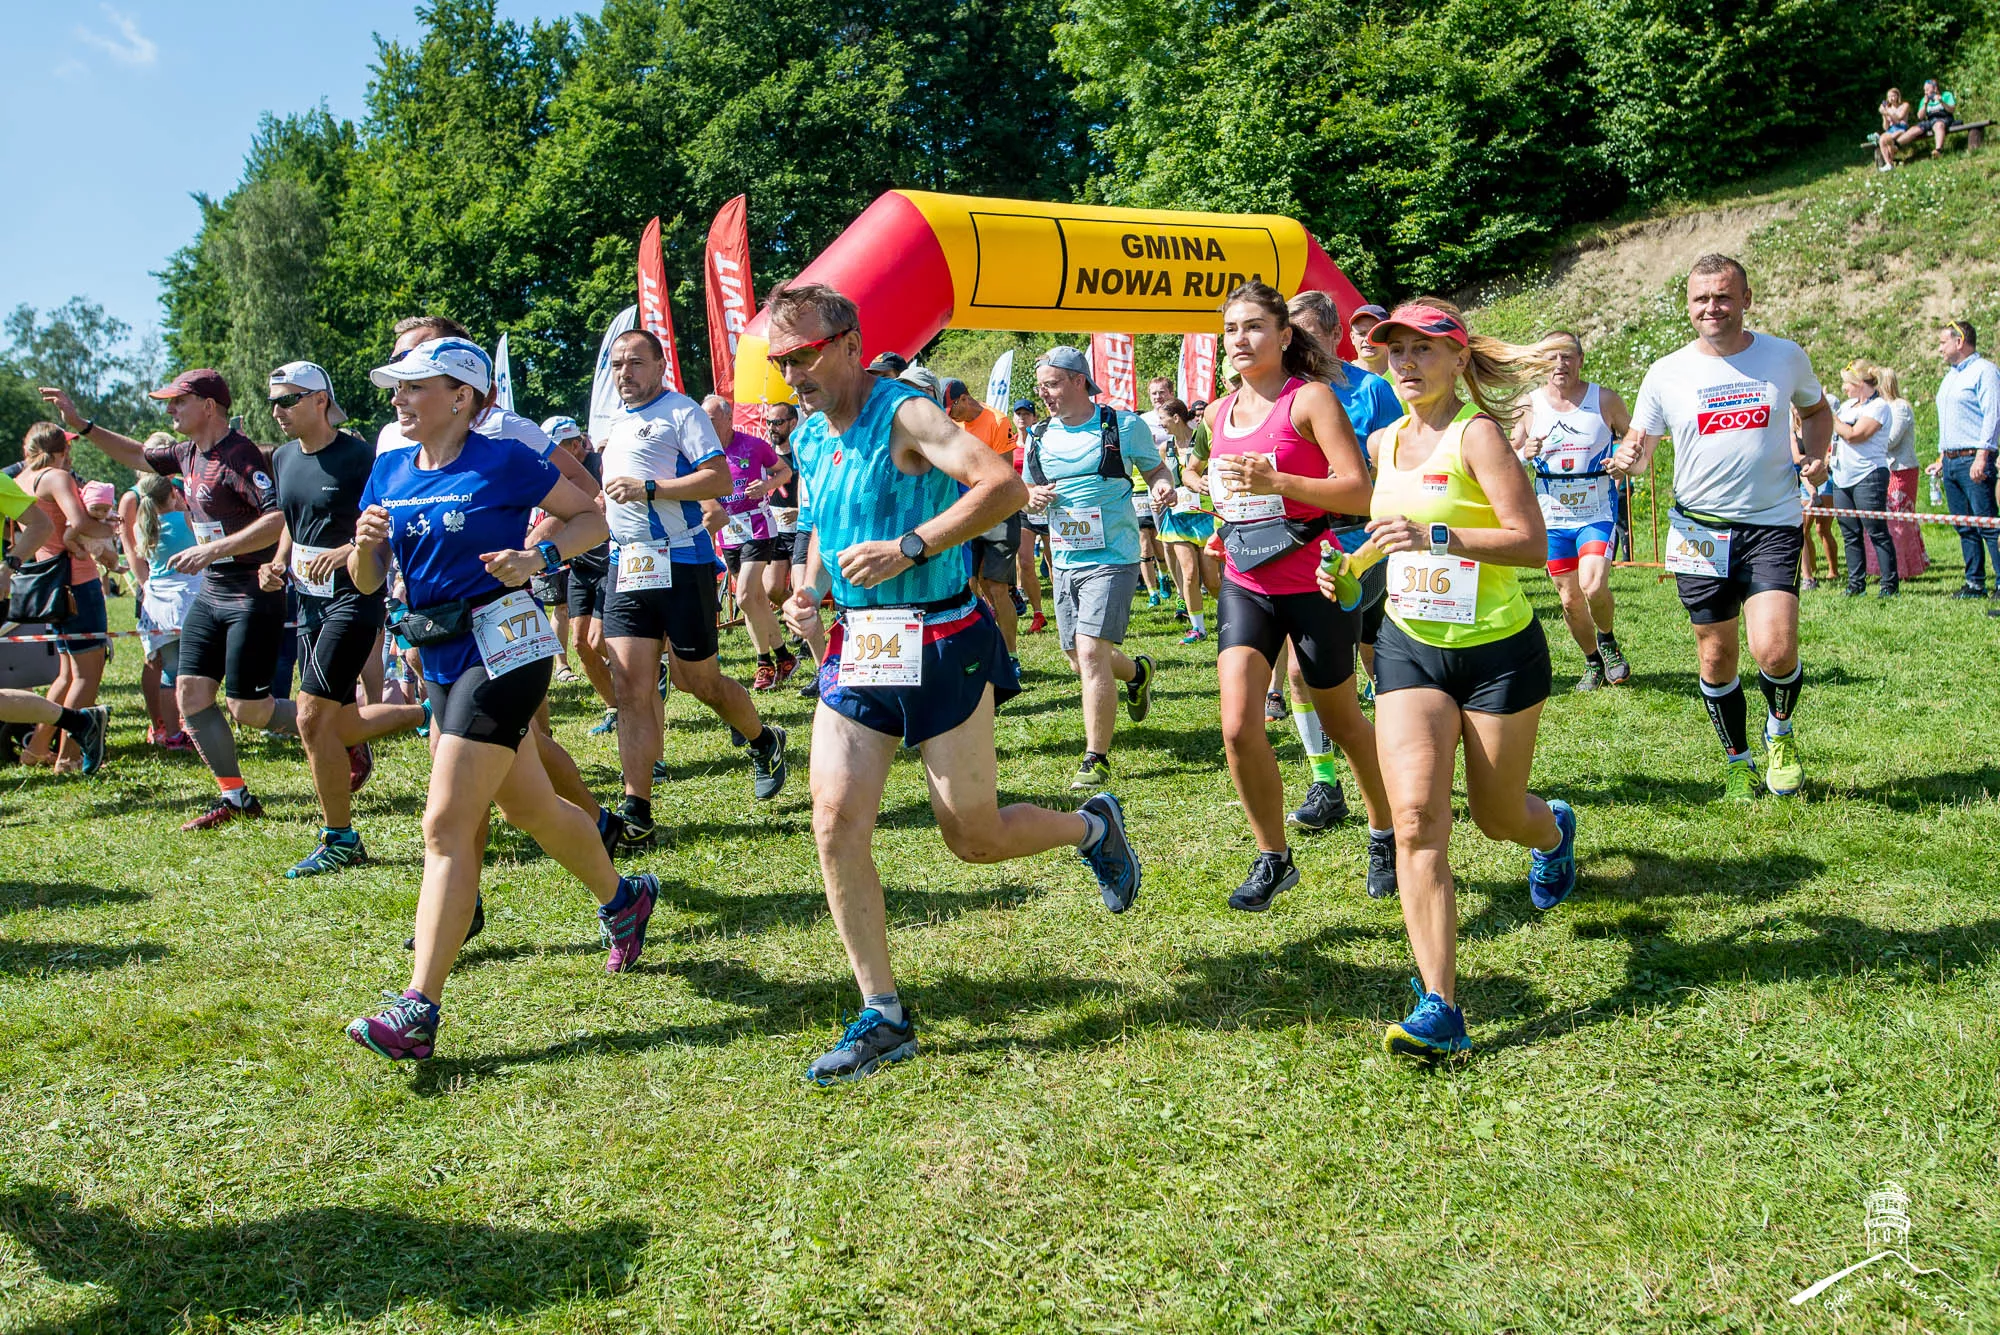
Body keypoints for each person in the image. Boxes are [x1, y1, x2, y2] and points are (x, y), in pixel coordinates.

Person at [769, 281, 1140, 1084]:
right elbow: (822, 528)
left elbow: (1002, 484)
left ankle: (1091, 828)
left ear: (848, 343)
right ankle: (883, 1013)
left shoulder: (904, 413)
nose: (790, 374)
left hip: (941, 638)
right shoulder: (809, 437)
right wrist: (809, 589)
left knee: (973, 837)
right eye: (779, 362)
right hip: (860, 647)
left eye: (801, 356)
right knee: (833, 822)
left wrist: (911, 544)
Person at [342, 336, 657, 1062]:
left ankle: (418, 1008)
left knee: (446, 822)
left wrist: (536, 556)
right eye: (398, 388)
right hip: (441, 652)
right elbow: (366, 580)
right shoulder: (388, 469)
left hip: (507, 648)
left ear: (462, 397)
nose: (399, 399)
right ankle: (625, 898)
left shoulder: (506, 458)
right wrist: (363, 547)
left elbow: (595, 517)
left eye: (415, 386)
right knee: (531, 809)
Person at [1336, 299, 1575, 1060]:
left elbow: (1531, 542)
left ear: (1458, 358)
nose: (1406, 363)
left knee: (1499, 817)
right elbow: (1386, 540)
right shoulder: (1383, 441)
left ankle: (1553, 830)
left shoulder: (1478, 436)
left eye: (1423, 350)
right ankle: (1440, 1005)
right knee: (1415, 819)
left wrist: (1437, 535)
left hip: (1498, 651)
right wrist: (1348, 570)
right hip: (1409, 646)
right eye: (1395, 351)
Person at [1202, 281, 1394, 909]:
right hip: (1247, 582)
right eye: (1231, 329)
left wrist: (1279, 481)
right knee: (1238, 727)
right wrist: (1223, 524)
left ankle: (1385, 831)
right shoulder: (1216, 413)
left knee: (1342, 721)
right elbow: (1234, 492)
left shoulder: (1310, 399)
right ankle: (1274, 856)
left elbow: (1359, 491)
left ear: (1285, 336)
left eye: (1254, 326)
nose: (1241, 339)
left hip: (1315, 579)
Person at [1616, 254, 1831, 800]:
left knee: (1775, 650)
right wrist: (1628, 459)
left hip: (1770, 524)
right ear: (1688, 305)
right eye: (1701, 298)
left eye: (1723, 296)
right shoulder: (1665, 372)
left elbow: (1816, 410)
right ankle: (1738, 760)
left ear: (1746, 299)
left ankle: (1779, 732)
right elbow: (1640, 450)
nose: (1712, 307)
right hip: (1698, 531)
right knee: (1715, 656)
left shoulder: (1784, 356)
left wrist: (1818, 456)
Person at [43, 371, 297, 826]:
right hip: (212, 592)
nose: (169, 410)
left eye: (179, 401)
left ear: (209, 406)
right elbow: (136, 454)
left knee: (249, 710)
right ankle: (236, 798)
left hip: (250, 592)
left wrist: (213, 549)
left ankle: (341, 731)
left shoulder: (240, 455)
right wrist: (82, 425)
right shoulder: (186, 453)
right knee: (190, 694)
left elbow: (277, 518)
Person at [599, 329, 788, 850]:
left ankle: (764, 740)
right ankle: (637, 809)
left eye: (636, 362)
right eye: (617, 364)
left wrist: (649, 489)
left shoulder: (682, 413)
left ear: (661, 365)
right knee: (630, 687)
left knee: (697, 682)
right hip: (626, 565)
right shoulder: (615, 421)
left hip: (682, 561)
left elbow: (719, 480)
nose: (625, 373)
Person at [261, 361, 430, 876]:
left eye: (288, 400)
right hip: (307, 601)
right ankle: (427, 712)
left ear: (320, 400)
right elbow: (292, 522)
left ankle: (339, 837)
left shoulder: (360, 457)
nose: (277, 410)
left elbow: (387, 520)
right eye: (273, 401)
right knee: (329, 723)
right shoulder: (282, 458)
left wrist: (348, 551)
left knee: (311, 717)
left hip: (355, 597)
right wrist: (277, 561)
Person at [1022, 345, 1174, 790]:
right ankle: (1138, 673)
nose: (1044, 394)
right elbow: (1026, 490)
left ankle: (1096, 758)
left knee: (1091, 654)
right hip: (1064, 559)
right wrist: (1030, 497)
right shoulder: (1038, 436)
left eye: (1051, 384)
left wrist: (1163, 486)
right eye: (1041, 386)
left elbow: (1158, 470)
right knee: (1079, 659)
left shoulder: (1122, 425)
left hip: (1115, 556)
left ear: (1078, 381)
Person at [1513, 331, 1636, 690]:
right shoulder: (1529, 405)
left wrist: (1622, 460)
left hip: (1596, 511)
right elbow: (1507, 457)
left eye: (1567, 356)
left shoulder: (1605, 399)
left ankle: (1607, 640)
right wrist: (1525, 453)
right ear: (1542, 362)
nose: (1560, 364)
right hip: (1552, 516)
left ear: (1580, 360)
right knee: (1569, 599)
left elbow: (1633, 439)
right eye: (1552, 356)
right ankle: (1593, 661)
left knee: (1593, 585)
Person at [12, 424, 113, 770]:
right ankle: (68, 757)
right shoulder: (56, 477)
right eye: (68, 448)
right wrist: (109, 527)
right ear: (60, 451)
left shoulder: (21, 480)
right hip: (78, 584)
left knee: (66, 675)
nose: (70, 455)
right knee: (87, 675)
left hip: (51, 587)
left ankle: (36, 750)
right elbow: (79, 521)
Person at [705, 394, 798, 690]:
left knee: (744, 596)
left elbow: (785, 471)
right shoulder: (703, 451)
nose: (705, 424)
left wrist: (767, 485)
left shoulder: (753, 445)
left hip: (758, 528)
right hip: (728, 532)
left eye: (711, 419)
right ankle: (784, 657)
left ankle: (763, 664)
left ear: (727, 418)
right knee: (754, 600)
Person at [542, 416, 619, 715]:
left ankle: (648, 673)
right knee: (580, 644)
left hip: (608, 563)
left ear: (576, 445)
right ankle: (615, 708)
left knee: (598, 640)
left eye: (557, 448)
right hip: (580, 566)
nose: (551, 456)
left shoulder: (602, 465)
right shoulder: (555, 474)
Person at [945, 378, 1025, 658]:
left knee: (997, 587)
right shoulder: (954, 425)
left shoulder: (997, 421)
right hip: (968, 513)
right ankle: (986, 651)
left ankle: (1011, 656)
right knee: (972, 584)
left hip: (998, 512)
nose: (951, 416)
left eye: (952, 409)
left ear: (964, 399)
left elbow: (1004, 474)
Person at [1930, 320, 2000, 598]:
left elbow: (1992, 415)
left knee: (1988, 524)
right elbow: (1951, 421)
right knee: (1964, 525)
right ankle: (1975, 583)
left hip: (1974, 459)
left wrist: (1983, 455)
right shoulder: (1950, 377)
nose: (1939, 349)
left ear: (1959, 342)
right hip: (1951, 461)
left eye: (1942, 342)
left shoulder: (1985, 371)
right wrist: (1941, 457)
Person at [128, 470, 196, 750]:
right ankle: (195, 727)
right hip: (188, 600)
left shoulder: (140, 526)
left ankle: (173, 735)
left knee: (169, 671)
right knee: (195, 671)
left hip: (158, 603)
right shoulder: (187, 519)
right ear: (173, 494)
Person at [1827, 362, 1899, 597]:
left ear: (1859, 384)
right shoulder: (1847, 406)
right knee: (1849, 533)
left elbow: (1854, 435)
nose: (1843, 388)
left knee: (1876, 531)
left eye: (1847, 383)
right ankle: (1855, 585)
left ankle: (1889, 586)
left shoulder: (1879, 407)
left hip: (1868, 475)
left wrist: (1830, 416)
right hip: (1842, 476)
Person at [1153, 399, 1219, 643]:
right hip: (1178, 516)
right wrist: (1160, 496)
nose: (1161, 424)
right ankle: (1198, 628)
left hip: (1205, 515)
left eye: (1163, 418)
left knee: (1212, 580)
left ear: (1176, 418)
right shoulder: (1165, 448)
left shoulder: (1201, 440)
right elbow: (1164, 480)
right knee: (1189, 573)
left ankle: (1230, 616)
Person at [1873, 367, 1929, 580]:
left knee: (1899, 519)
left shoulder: (1900, 408)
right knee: (1886, 519)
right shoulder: (1879, 407)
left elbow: (1891, 440)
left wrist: (1865, 437)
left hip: (1901, 470)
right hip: (1884, 469)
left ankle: (1904, 567)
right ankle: (1887, 566)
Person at [1010, 398, 1049, 634]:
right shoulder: (1009, 444)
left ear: (1034, 418)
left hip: (1046, 505)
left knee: (1053, 562)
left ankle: (1067, 608)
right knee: (1024, 561)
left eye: (1027, 414)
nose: (1022, 418)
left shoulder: (1044, 440)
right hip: (1023, 507)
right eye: (1019, 414)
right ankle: (1038, 613)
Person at [1876, 88, 1914, 171]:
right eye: (1889, 96)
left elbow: (1899, 118)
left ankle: (1891, 161)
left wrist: (1887, 113)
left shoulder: (1904, 105)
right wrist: (1884, 115)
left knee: (1888, 139)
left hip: (1901, 128)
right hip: (1891, 129)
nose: (1891, 98)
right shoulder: (1888, 109)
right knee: (1882, 139)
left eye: (1893, 96)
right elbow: (1885, 127)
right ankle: (1888, 163)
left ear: (1898, 96)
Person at [1350, 303, 1390, 377]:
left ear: (1388, 336)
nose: (1368, 339)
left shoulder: (1402, 373)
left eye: (1375, 333)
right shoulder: (1342, 375)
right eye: (1361, 333)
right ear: (1352, 338)